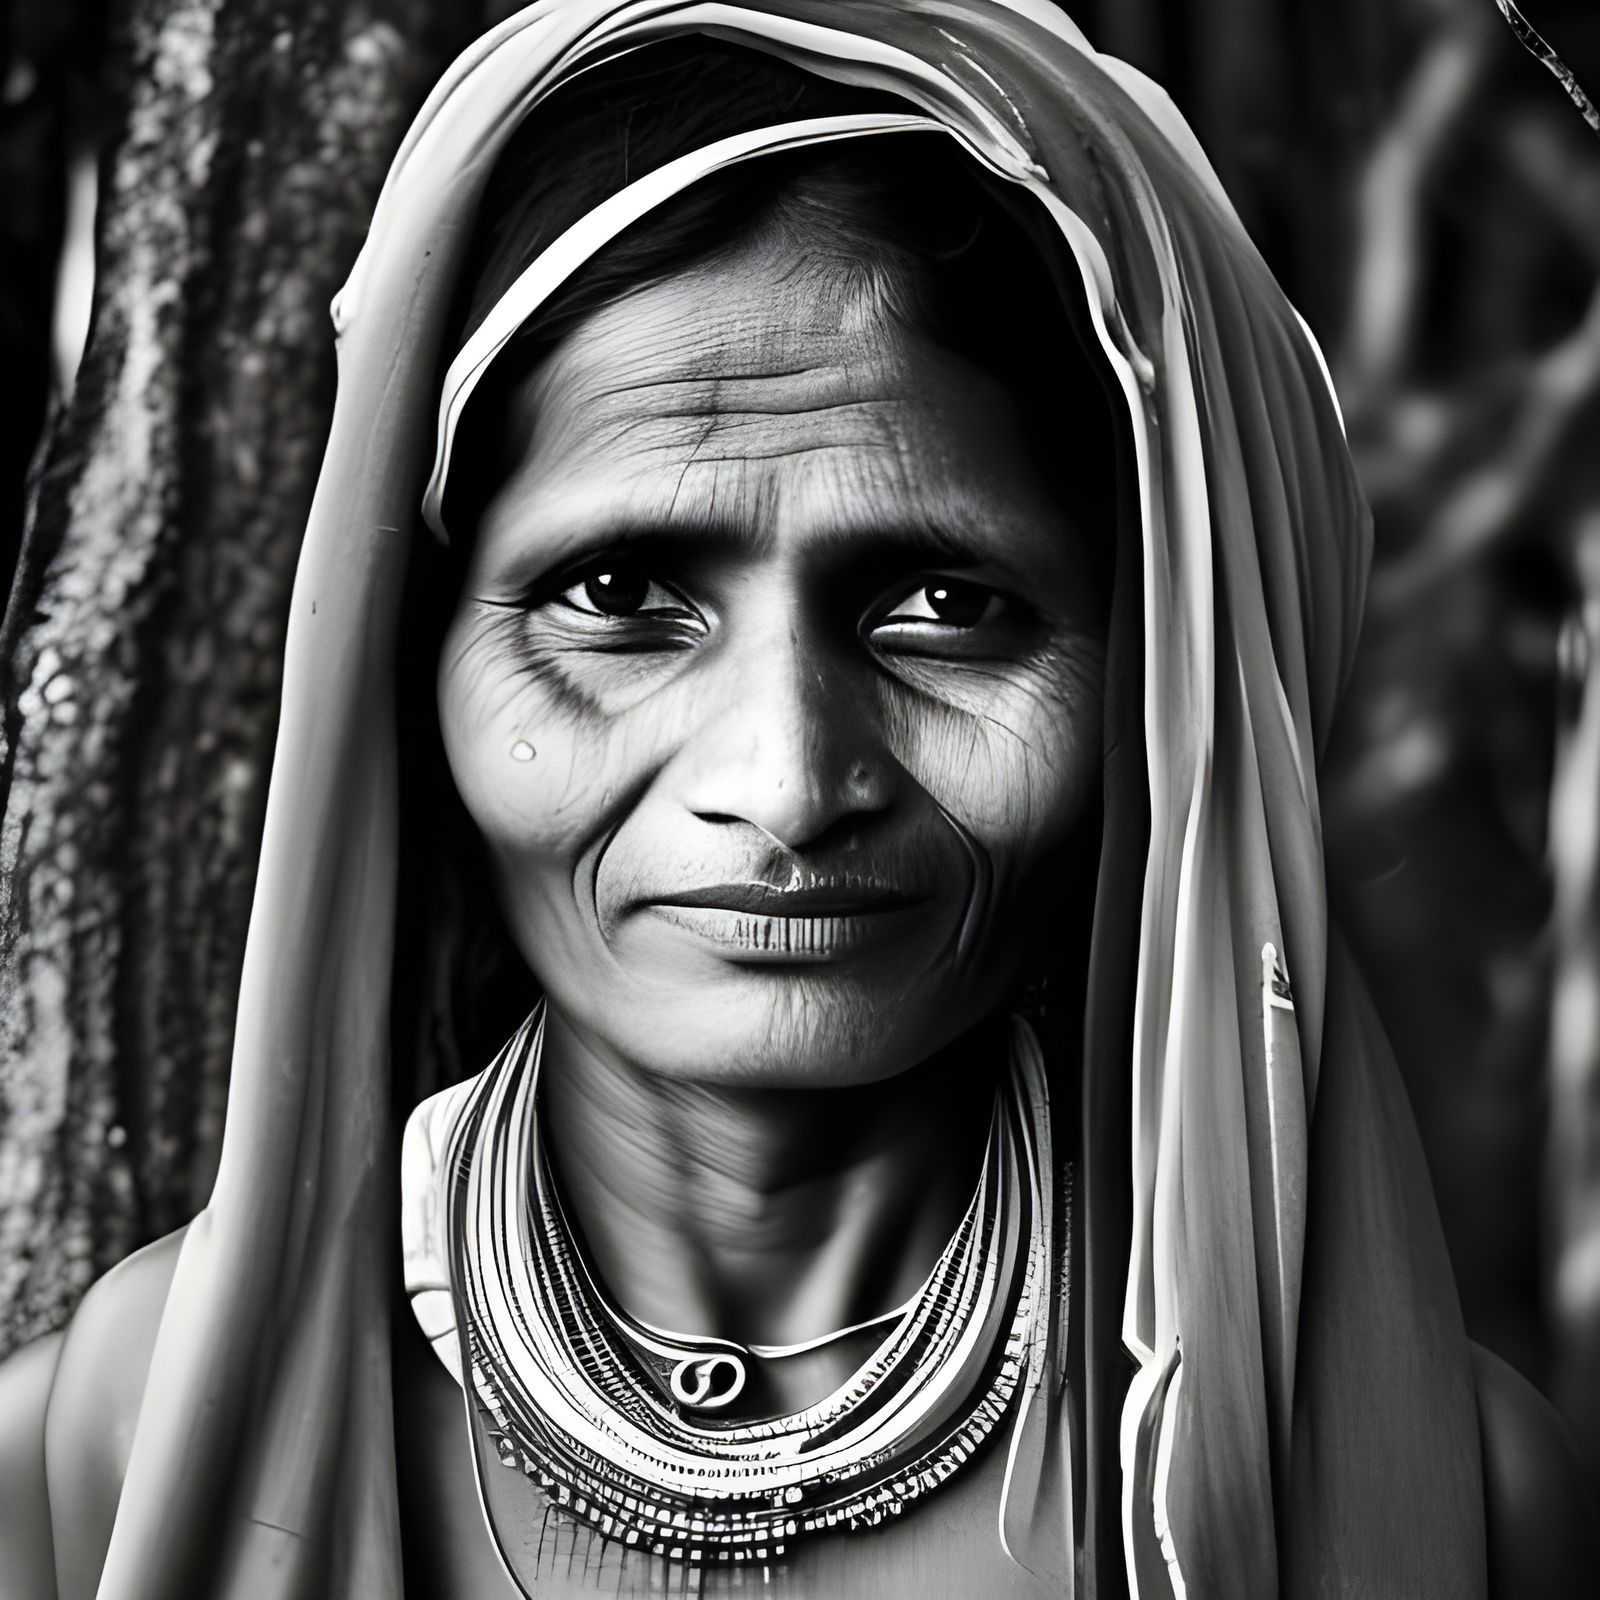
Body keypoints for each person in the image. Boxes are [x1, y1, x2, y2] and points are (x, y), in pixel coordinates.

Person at [0, 2, 1593, 1596]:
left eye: (946, 605)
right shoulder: (121, 1451)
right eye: (618, 591)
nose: (784, 783)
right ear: (407, 673)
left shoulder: (1449, 1505)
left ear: (1168, 690)